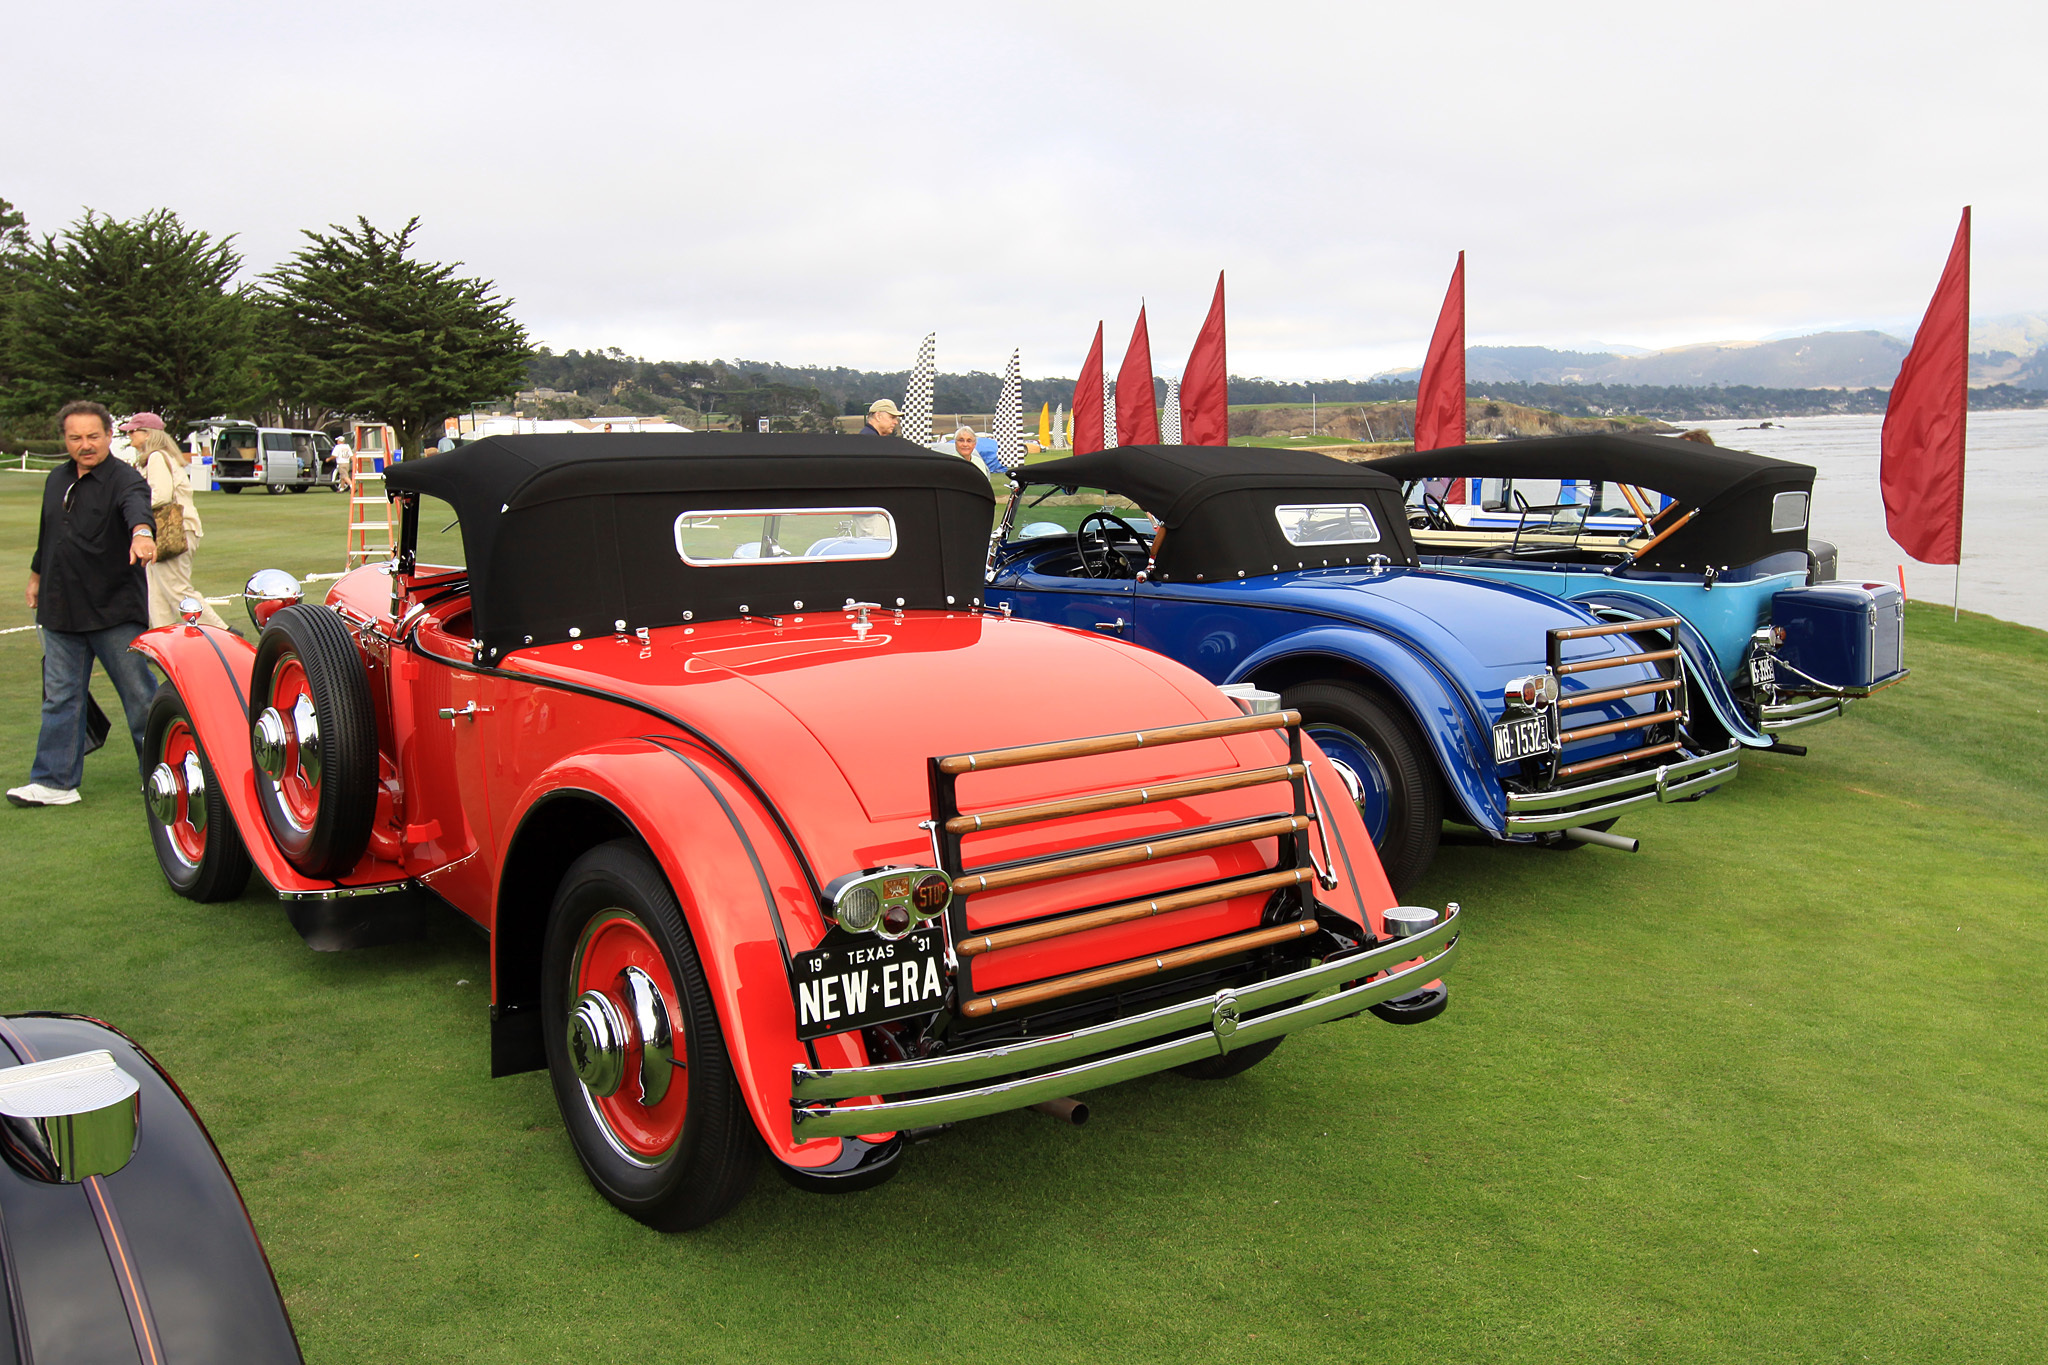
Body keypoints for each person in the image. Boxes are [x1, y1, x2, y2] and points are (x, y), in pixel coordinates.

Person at [8, 401, 160, 808]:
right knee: (61, 697)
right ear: (65, 440)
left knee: (141, 697)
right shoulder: (56, 479)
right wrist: (37, 576)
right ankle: (55, 782)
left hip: (113, 609)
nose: (85, 445)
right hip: (60, 609)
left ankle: (166, 773)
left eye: (93, 436)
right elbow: (50, 533)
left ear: (109, 436)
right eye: (75, 438)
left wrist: (142, 533)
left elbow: (138, 510)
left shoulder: (125, 479)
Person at [126, 418, 232, 631]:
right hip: (172, 530)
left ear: (148, 434)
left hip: (175, 530)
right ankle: (162, 638)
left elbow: (161, 495)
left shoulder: (157, 457)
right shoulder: (158, 458)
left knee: (177, 589)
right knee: (157, 591)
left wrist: (136, 506)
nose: (129, 436)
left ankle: (222, 632)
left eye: (133, 431)